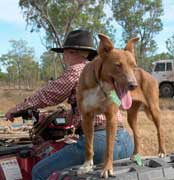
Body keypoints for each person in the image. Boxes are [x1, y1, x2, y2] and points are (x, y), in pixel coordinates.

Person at [5, 29, 134, 180]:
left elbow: (47, 95)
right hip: (124, 140)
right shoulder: (102, 73)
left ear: (71, 52)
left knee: (39, 172)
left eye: (64, 53)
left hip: (99, 142)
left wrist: (16, 109)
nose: (64, 57)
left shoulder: (76, 70)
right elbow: (108, 105)